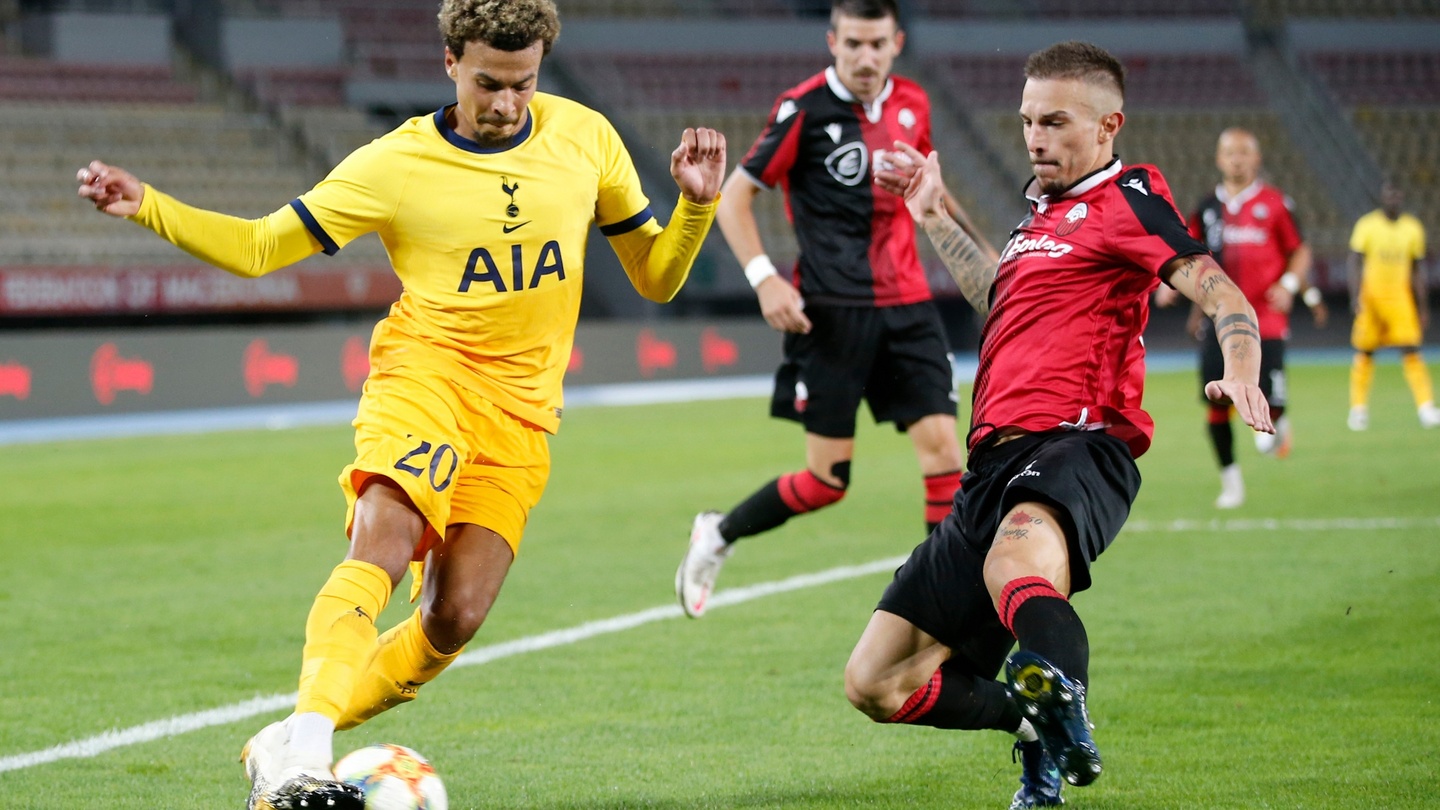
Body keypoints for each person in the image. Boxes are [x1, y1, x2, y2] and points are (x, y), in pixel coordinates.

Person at [77, 0, 726, 807]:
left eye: (524, 85)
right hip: (425, 378)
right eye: (489, 83)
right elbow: (256, 248)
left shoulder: (587, 136)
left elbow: (656, 277)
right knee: (382, 545)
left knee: (454, 618)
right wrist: (147, 204)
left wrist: (696, 204)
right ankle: (309, 757)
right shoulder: (394, 164)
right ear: (450, 59)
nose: (507, 104)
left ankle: (284, 741)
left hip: (521, 416)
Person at [841, 41, 1272, 809]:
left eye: (1056, 122)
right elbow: (997, 299)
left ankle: (1067, 710)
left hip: (1081, 442)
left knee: (1015, 567)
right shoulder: (1040, 217)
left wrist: (1241, 369)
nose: (1036, 137)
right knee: (874, 682)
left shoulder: (1129, 195)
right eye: (1028, 121)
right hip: (991, 464)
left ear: (1109, 126)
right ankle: (1036, 725)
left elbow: (1221, 293)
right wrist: (934, 215)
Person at [675, 0, 995, 618]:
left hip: (908, 305)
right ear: (833, 42)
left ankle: (939, 613)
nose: (866, 57)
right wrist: (766, 279)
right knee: (826, 482)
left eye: (878, 44)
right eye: (854, 44)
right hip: (830, 312)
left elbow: (936, 190)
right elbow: (736, 197)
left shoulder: (914, 104)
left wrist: (989, 263)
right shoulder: (803, 110)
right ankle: (717, 533)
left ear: (896, 42)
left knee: (945, 455)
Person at [1160, 128, 1324, 509]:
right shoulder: (1207, 208)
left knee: (1275, 401)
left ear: (1257, 158)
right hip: (1217, 325)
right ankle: (1231, 482)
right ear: (1218, 159)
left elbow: (1299, 252)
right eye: (1229, 152)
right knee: (1216, 401)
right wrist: (1169, 282)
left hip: (1266, 320)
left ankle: (1275, 419)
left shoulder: (1276, 203)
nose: (1236, 159)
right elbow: (1186, 253)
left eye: (1243, 152)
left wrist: (1288, 284)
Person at [1346, 180, 1438, 431]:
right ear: (1382, 197)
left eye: (1397, 195)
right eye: (1389, 195)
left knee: (1412, 350)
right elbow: (1354, 261)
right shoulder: (1367, 225)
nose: (1393, 199)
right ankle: (1358, 410)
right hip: (1372, 299)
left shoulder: (1412, 229)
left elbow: (1417, 270)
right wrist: (1355, 296)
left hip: (1400, 300)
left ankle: (1426, 407)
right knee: (1365, 352)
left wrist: (1423, 307)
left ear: (1402, 197)